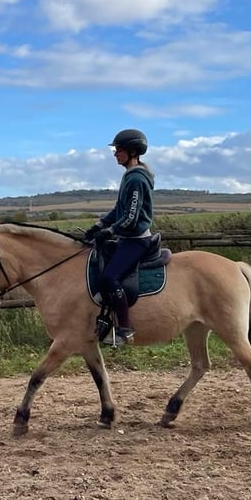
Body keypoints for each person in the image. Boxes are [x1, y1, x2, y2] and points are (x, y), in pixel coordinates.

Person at [84, 129, 155, 345]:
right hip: (127, 237)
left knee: (109, 278)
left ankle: (125, 328)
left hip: (136, 239)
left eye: (119, 149)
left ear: (133, 151)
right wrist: (98, 225)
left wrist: (110, 231)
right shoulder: (129, 176)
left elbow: (131, 218)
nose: (115, 153)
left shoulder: (136, 179)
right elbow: (119, 209)